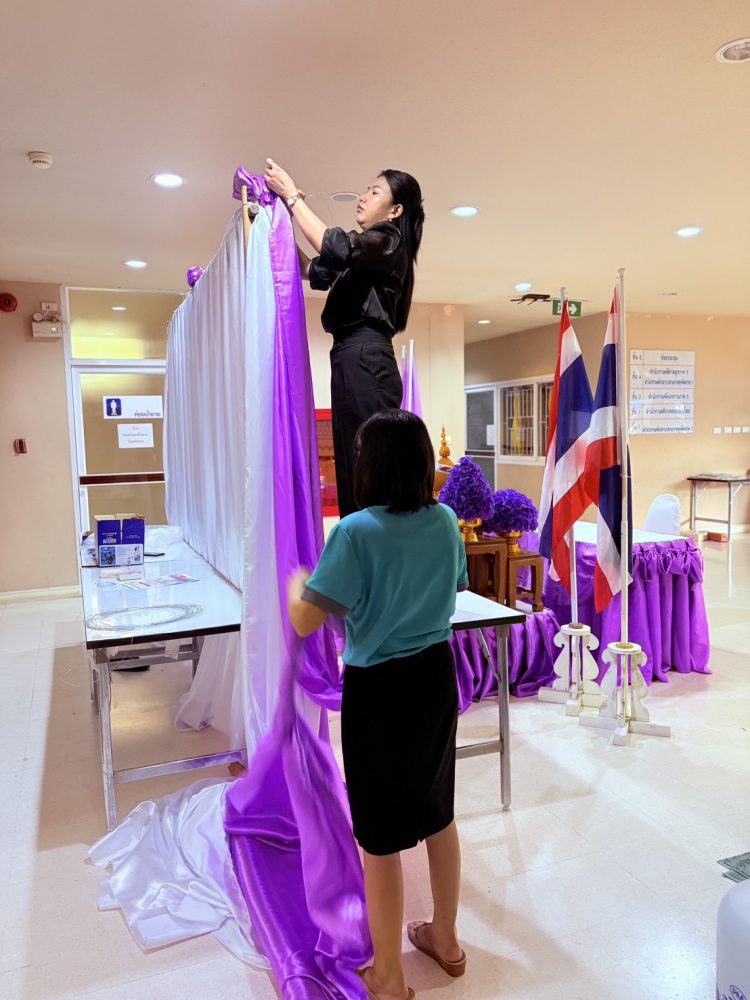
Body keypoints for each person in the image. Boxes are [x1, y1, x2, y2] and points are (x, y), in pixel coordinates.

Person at [287, 409, 468, 1000]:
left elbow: (307, 619)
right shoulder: (445, 520)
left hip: (381, 691)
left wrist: (295, 585)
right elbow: (452, 585)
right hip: (436, 678)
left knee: (380, 840)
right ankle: (446, 938)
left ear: (370, 465)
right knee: (438, 814)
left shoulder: (355, 532)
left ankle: (389, 978)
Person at [265, 158, 425, 517]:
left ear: (395, 210)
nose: (363, 197)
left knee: (370, 460)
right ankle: (359, 541)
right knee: (354, 460)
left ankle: (374, 542)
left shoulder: (389, 240)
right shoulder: (366, 255)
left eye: (375, 192)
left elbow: (333, 245)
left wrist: (292, 197)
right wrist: (281, 218)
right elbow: (312, 268)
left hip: (367, 355)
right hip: (350, 355)